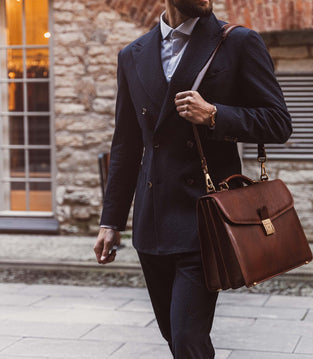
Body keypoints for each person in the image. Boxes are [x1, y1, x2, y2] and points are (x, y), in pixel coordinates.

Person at [93, 0, 292, 357]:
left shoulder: (238, 42)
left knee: (187, 337)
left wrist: (215, 115)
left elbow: (278, 123)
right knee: (177, 338)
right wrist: (111, 220)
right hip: (151, 221)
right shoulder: (132, 54)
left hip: (206, 220)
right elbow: (125, 143)